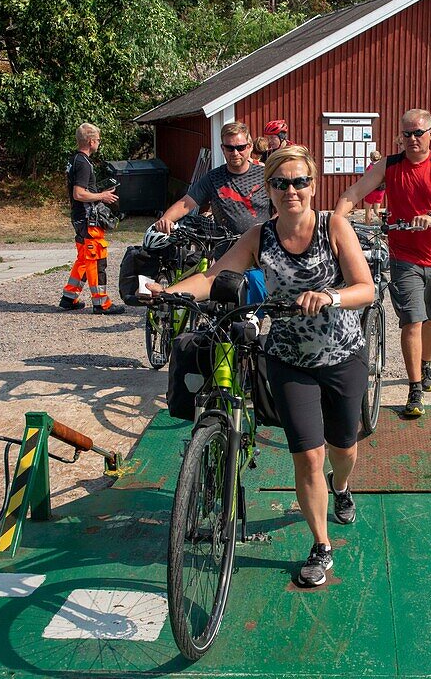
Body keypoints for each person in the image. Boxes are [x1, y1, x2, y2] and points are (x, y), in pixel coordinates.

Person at [148, 146, 374, 589]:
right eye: (281, 183)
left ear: (313, 184)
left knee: (342, 447)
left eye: (299, 182)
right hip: (288, 359)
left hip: (342, 353)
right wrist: (168, 292)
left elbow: (364, 287)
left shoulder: (334, 226)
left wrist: (329, 296)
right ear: (267, 188)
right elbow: (214, 277)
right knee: (307, 455)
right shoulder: (259, 236)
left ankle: (342, 488)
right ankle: (321, 545)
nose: (291, 190)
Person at [334, 108, 431, 418]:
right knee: (412, 322)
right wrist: (337, 218)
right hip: (404, 258)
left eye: (418, 133)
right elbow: (355, 191)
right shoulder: (389, 166)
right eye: (406, 134)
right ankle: (415, 388)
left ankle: (425, 363)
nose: (412, 139)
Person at [154, 122, 272, 301]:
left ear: (249, 147)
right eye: (230, 148)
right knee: (222, 303)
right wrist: (166, 219)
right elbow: (186, 203)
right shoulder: (213, 178)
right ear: (222, 148)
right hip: (226, 250)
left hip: (260, 249)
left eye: (240, 147)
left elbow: (280, 209)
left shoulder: (264, 176)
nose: (235, 153)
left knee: (255, 304)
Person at [59, 123, 125, 314]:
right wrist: (102, 196)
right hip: (88, 219)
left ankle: (68, 298)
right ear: (90, 141)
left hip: (79, 217)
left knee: (83, 258)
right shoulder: (84, 163)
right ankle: (101, 303)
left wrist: (100, 192)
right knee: (96, 260)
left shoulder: (74, 160)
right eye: (97, 140)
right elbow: (79, 193)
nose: (99, 143)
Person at [362, 150, 386, 224]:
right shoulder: (382, 166)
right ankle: (385, 222)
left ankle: (367, 227)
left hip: (371, 191)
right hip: (381, 191)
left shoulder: (370, 168)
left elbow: (366, 179)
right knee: (377, 210)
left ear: (371, 158)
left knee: (368, 211)